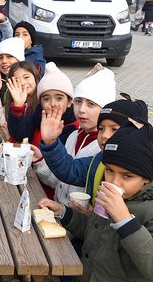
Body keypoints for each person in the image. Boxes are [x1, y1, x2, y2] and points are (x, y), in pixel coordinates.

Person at [38, 121, 153, 282]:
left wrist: (125, 221)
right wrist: (64, 213)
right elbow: (95, 231)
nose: (114, 181)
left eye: (127, 176)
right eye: (109, 170)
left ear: (146, 178)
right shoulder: (113, 195)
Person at [36, 63, 116, 206]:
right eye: (78, 101)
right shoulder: (73, 136)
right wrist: (40, 161)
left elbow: (72, 172)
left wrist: (51, 144)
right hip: (58, 210)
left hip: (77, 221)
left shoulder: (102, 147)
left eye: (91, 104)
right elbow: (60, 180)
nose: (81, 110)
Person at [0, 61, 40, 140]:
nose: (22, 83)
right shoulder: (14, 101)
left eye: (26, 77)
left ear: (35, 77)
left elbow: (23, 137)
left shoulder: (41, 104)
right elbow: (0, 121)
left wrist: (18, 106)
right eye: (16, 80)